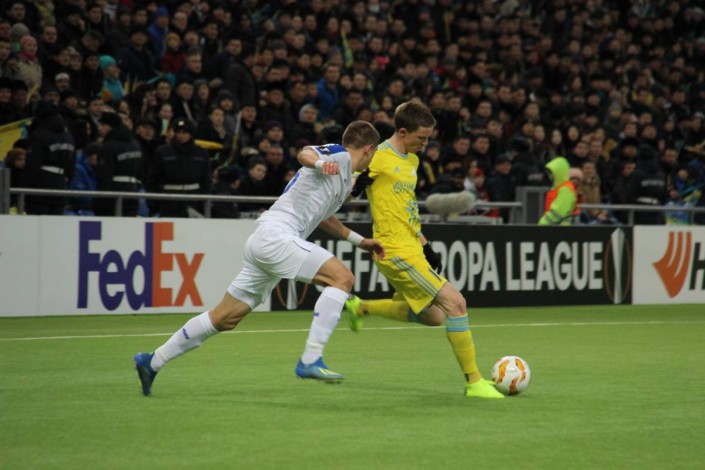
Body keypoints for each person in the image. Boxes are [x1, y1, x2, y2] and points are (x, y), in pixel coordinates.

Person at [133, 120, 383, 396]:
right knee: (342, 278)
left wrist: (360, 241)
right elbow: (304, 153)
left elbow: (325, 218)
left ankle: (152, 361)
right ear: (369, 149)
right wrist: (321, 163)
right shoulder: (339, 155)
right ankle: (311, 358)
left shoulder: (344, 180)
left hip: (268, 241)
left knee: (225, 318)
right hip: (277, 235)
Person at [345, 101, 504, 399]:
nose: (425, 143)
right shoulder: (377, 157)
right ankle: (474, 382)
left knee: (434, 317)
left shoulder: (413, 162)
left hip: (412, 248)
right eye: (421, 138)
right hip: (393, 250)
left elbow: (407, 209)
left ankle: (361, 307)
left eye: (428, 138)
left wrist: (425, 244)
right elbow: (344, 192)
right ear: (403, 132)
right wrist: (352, 184)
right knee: (456, 303)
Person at [147, 118, 212, 217]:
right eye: (178, 132)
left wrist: (204, 203)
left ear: (191, 134)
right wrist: (153, 204)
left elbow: (206, 180)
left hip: (193, 199)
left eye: (184, 132)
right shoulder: (163, 152)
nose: (181, 135)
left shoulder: (201, 153)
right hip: (169, 200)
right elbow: (153, 179)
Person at [93, 111, 144, 216]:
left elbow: (104, 175)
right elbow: (141, 170)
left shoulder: (109, 146)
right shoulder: (135, 144)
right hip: (133, 191)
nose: (99, 128)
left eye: (102, 125)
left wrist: (99, 200)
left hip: (113, 192)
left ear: (110, 127)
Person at [538, 156, 578, 225]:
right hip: (556, 226)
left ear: (558, 172)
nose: (550, 175)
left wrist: (542, 224)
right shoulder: (558, 187)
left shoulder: (566, 189)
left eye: (551, 173)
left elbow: (558, 212)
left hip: (561, 227)